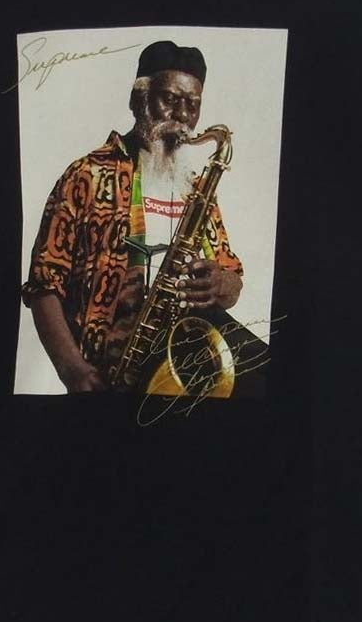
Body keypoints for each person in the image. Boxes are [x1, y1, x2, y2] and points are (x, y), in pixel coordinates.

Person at [21, 40, 269, 395]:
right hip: (116, 371)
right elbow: (44, 283)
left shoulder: (197, 187)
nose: (182, 115)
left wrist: (223, 284)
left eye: (193, 105)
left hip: (183, 357)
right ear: (139, 100)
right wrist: (71, 369)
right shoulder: (86, 175)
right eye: (170, 99)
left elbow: (232, 277)